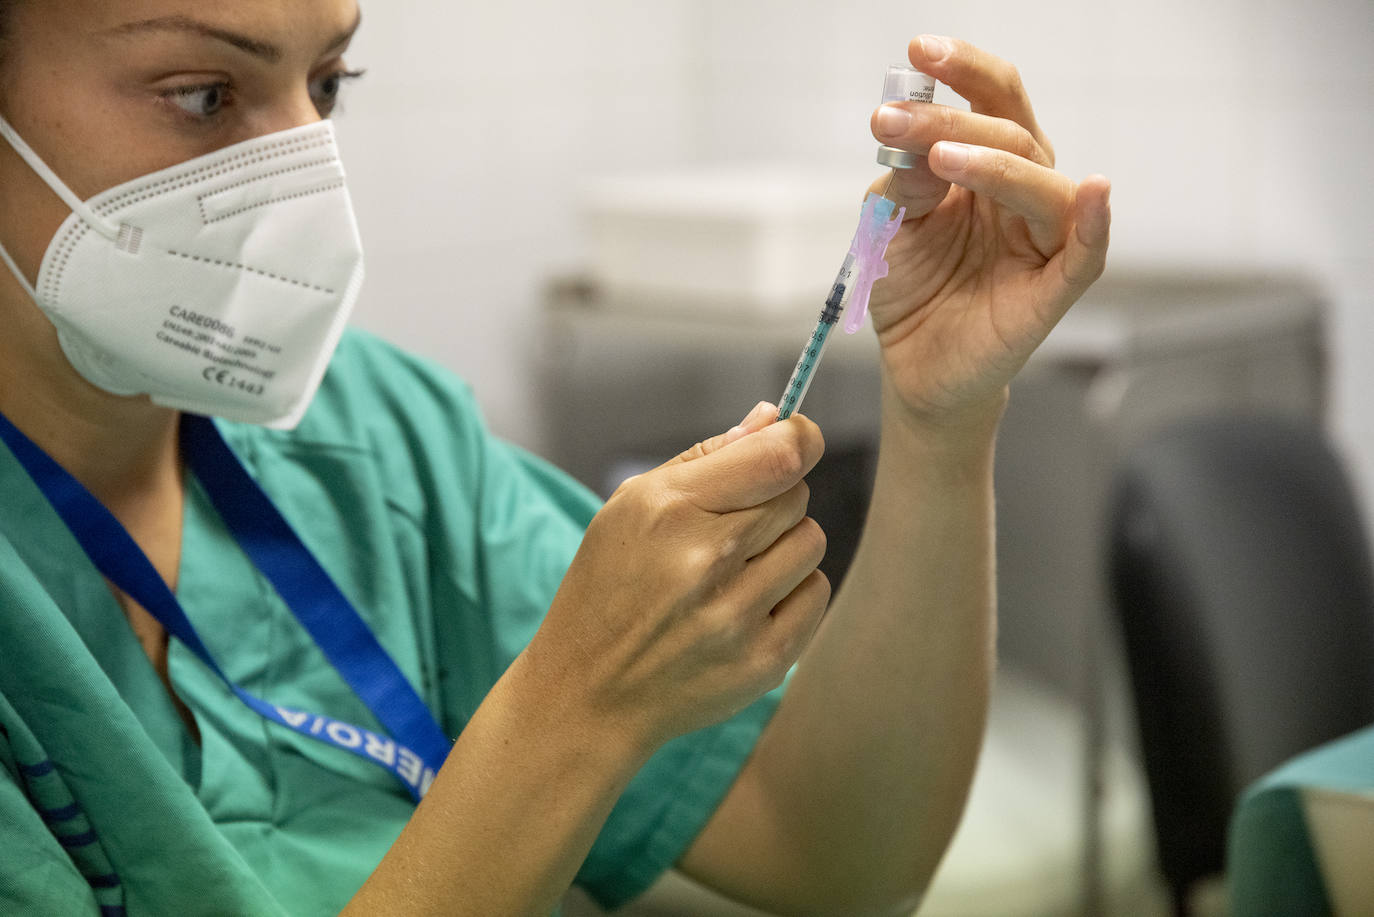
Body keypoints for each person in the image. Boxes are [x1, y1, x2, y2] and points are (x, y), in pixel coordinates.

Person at [0, 1, 1111, 915]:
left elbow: (838, 851)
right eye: (204, 94)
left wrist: (942, 423)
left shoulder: (375, 433)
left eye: (328, 85)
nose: (304, 173)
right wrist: (574, 705)